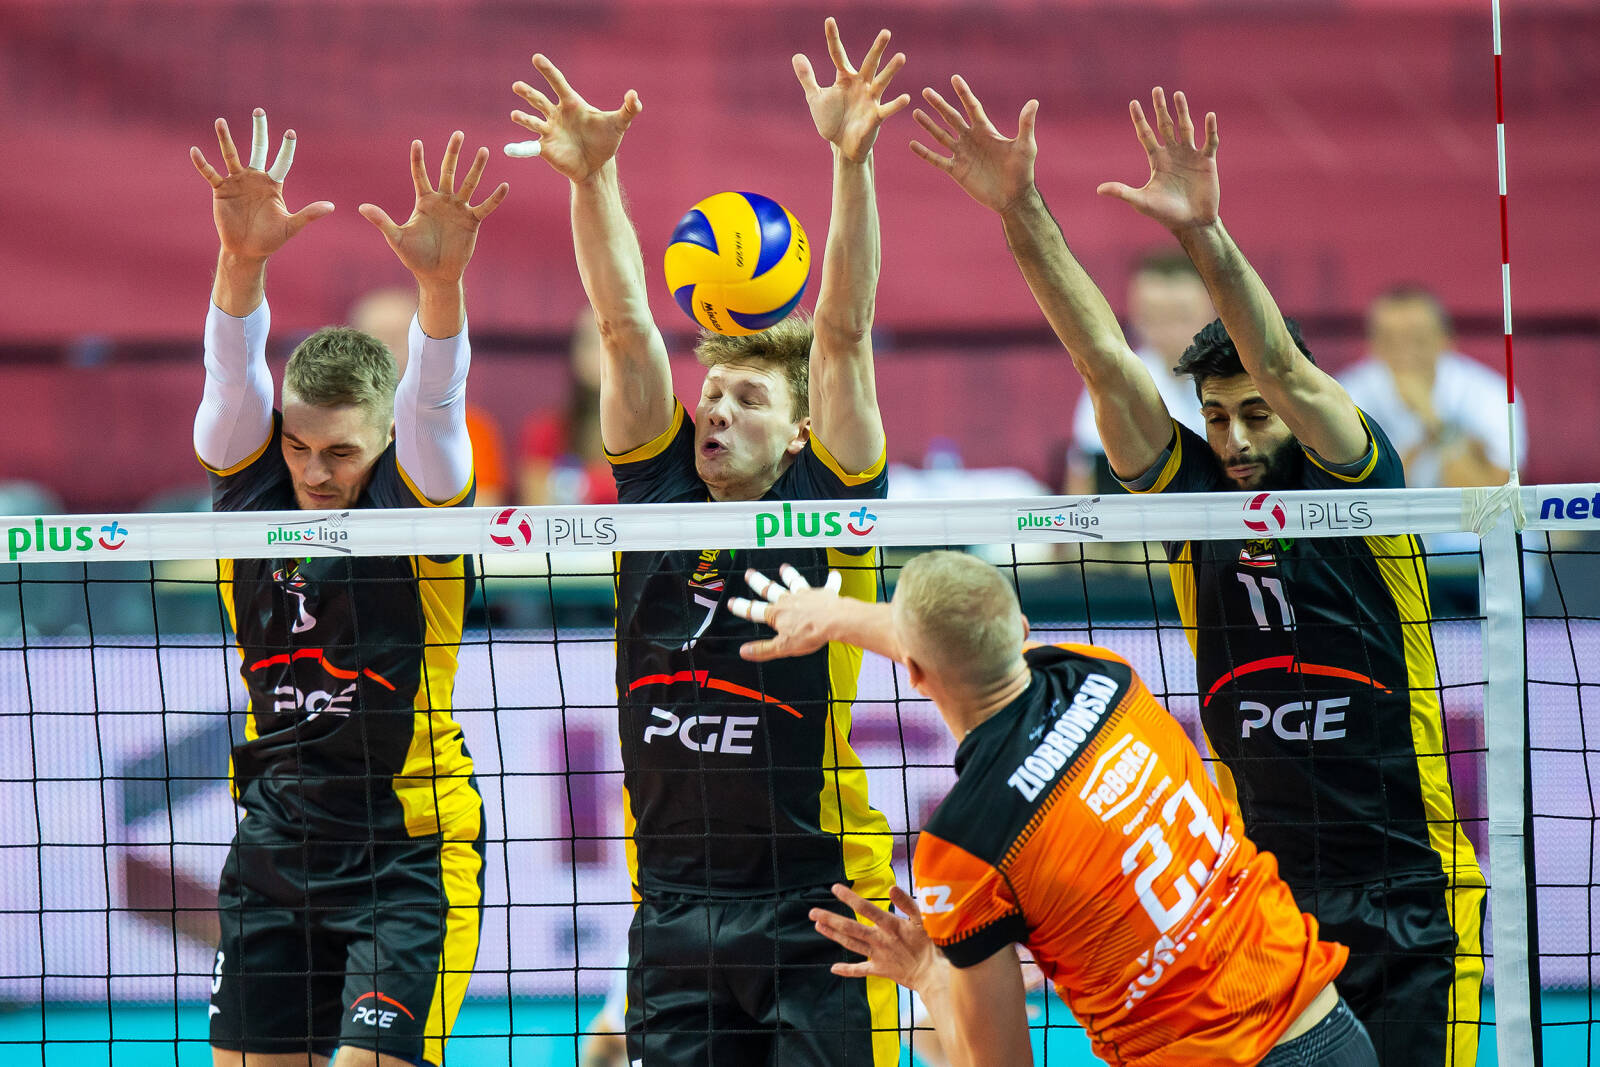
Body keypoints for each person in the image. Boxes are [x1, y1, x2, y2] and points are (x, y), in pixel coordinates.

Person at [909, 77, 1484, 1063]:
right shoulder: (1195, 508)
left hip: (1410, 894)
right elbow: (1103, 359)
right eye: (1216, 417)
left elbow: (1287, 370)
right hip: (1262, 905)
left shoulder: (1361, 485)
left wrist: (1202, 233)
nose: (1234, 438)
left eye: (1254, 414)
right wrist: (1019, 208)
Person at [506, 18, 908, 1064]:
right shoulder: (658, 492)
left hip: (815, 901)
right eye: (712, 393)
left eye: (749, 398)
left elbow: (844, 331)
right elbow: (623, 325)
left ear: (801, 430)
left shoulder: (827, 501)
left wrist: (850, 161)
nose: (716, 409)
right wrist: (593, 180)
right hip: (674, 907)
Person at [728, 551, 1377, 1067]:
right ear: (1021, 630)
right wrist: (837, 615)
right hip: (1331, 1026)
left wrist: (926, 971)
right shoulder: (1106, 674)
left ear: (915, 676)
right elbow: (955, 637)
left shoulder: (965, 845)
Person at [190, 108, 507, 1066]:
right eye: (299, 446)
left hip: (407, 852)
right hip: (276, 841)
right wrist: (240, 259)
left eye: (341, 452)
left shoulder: (420, 498)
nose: (315, 472)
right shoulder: (252, 486)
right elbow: (231, 371)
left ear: (385, 438)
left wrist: (441, 286)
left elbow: (436, 397)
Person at [1338, 284, 1523, 490]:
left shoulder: (1491, 393)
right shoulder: (1346, 396)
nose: (1405, 354)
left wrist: (1436, 423)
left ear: (1446, 339)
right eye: (1389, 341)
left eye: (1418, 340)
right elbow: (1354, 497)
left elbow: (1500, 495)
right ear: (1371, 345)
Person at [349, 286, 513, 507]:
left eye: (399, 336)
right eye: (375, 338)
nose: (387, 349)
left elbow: (480, 513)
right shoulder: (334, 428)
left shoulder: (471, 428)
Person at [1065, 252, 1213, 495]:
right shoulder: (1113, 383)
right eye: (1153, 317)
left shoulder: (1243, 378)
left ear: (1212, 309)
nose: (1167, 330)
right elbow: (1084, 483)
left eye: (1181, 316)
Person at [517, 310, 616, 505]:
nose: (601, 352)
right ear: (574, 353)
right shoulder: (547, 431)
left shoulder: (659, 431)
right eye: (590, 342)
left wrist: (580, 486)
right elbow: (536, 509)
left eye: (612, 340)